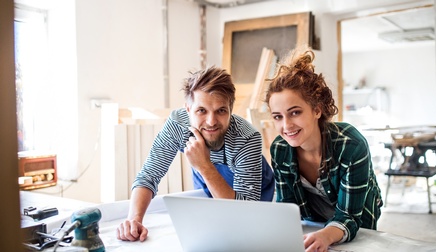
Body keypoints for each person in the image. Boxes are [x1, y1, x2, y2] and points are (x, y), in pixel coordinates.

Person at [117, 66, 275, 242]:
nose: (211, 121)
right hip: (210, 188)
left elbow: (245, 213)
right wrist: (134, 219)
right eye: (201, 110)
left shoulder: (247, 138)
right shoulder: (177, 125)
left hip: (254, 197)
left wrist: (205, 166)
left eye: (221, 111)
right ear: (188, 109)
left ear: (231, 110)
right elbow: (149, 175)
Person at [264, 49, 383, 252]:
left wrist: (327, 235)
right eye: (278, 116)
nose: (286, 125)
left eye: (295, 112)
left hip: (357, 219)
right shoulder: (280, 149)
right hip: (314, 222)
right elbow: (287, 209)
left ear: (317, 110)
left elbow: (350, 217)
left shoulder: (351, 145)